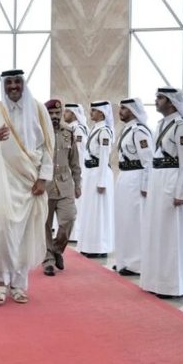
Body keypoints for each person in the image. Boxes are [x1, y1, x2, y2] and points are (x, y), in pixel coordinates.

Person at [0, 69, 54, 305]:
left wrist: (43, 178)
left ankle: (18, 284)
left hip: (29, 183)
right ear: (3, 85)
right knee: (1, 228)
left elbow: (48, 146)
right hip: (2, 182)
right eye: (9, 82)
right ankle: (1, 281)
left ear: (23, 83)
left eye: (17, 81)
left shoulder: (38, 110)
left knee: (24, 233)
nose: (13, 86)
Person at [140, 87, 183, 299]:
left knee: (171, 234)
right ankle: (156, 280)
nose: (156, 101)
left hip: (172, 181)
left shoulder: (182, 126)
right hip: (158, 179)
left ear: (171, 102)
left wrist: (181, 191)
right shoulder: (161, 124)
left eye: (160, 98)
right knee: (157, 231)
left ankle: (171, 284)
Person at [113, 98, 153, 276]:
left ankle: (136, 264)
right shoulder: (127, 130)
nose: (120, 111)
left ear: (132, 110)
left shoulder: (139, 131)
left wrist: (145, 185)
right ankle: (123, 259)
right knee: (124, 220)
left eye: (124, 108)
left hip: (136, 178)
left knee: (135, 221)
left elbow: (148, 160)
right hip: (125, 176)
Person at [42, 99, 81, 276]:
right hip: (45, 185)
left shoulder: (68, 132)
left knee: (69, 218)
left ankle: (57, 249)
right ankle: (48, 260)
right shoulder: (39, 133)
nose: (54, 116)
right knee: (45, 224)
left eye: (57, 113)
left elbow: (75, 162)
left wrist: (78, 184)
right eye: (51, 114)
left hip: (65, 184)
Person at [75, 101, 115, 258]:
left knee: (99, 212)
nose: (91, 113)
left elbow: (104, 157)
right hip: (91, 172)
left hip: (100, 173)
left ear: (102, 113)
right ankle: (89, 245)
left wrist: (102, 181)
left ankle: (100, 247)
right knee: (90, 211)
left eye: (94, 110)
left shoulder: (104, 131)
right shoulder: (94, 129)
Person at [64, 103, 89, 240]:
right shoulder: (69, 128)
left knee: (76, 202)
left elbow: (79, 153)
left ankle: (75, 233)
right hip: (67, 170)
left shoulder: (78, 129)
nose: (64, 114)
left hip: (75, 171)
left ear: (74, 114)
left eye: (67, 111)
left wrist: (76, 173)